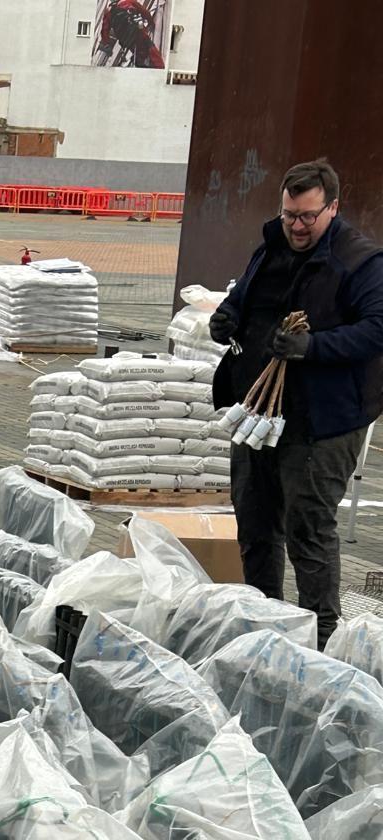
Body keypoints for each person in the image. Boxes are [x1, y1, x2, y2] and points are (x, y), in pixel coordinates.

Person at [210, 159, 383, 649]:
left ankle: (321, 642)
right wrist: (226, 319)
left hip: (324, 420)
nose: (298, 227)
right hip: (259, 411)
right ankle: (263, 627)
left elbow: (377, 330)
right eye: (290, 215)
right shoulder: (270, 248)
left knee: (309, 529)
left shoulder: (361, 261)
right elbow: (241, 298)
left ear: (333, 207)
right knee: (255, 524)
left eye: (308, 217)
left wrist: (314, 347)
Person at [94, 0, 166, 69]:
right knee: (150, 48)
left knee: (138, 54)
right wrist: (150, 22)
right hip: (139, 33)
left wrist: (106, 43)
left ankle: (143, 67)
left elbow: (104, 31)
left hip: (127, 41)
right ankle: (160, 68)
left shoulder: (109, 12)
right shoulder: (129, 2)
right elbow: (144, 12)